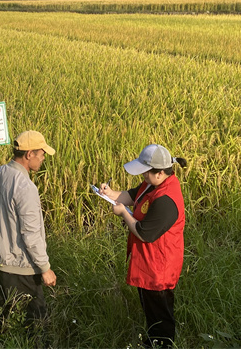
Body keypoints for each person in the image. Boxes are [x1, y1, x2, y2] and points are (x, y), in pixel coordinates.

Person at [100, 143, 187, 348]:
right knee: (151, 309)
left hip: (159, 268)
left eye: (146, 173)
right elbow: (131, 196)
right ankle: (153, 341)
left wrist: (123, 213)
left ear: (159, 172)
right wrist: (110, 193)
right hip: (148, 262)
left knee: (160, 314)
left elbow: (144, 233)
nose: (143, 177)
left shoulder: (166, 199)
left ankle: (160, 344)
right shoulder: (152, 184)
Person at [0, 130, 58, 336]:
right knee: (36, 327)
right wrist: (45, 268)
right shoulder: (25, 187)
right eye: (41, 154)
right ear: (29, 155)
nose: (43, 158)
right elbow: (30, 233)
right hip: (20, 267)